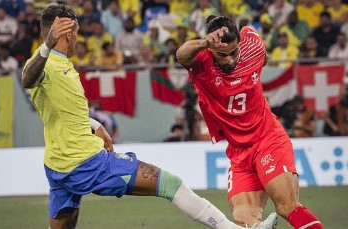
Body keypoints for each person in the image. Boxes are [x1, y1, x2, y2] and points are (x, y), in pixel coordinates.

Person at [21, 4, 277, 229]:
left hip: (57, 164)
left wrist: (94, 124)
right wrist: (47, 46)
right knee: (169, 183)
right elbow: (27, 80)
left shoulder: (61, 64)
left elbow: (60, 109)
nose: (78, 39)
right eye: (76, 33)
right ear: (66, 33)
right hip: (85, 162)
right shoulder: (46, 62)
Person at [176, 15, 323, 229]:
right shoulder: (202, 61)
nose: (229, 60)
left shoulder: (252, 46)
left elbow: (257, 48)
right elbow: (181, 54)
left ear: (240, 45)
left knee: (286, 206)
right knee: (244, 223)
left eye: (233, 52)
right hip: (239, 153)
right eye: (221, 55)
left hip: (268, 139)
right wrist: (205, 42)